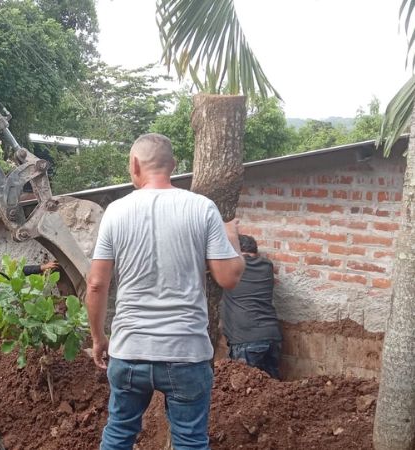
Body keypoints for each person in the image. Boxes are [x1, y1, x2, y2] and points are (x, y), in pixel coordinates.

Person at [85, 133, 245, 450]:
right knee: (189, 440)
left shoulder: (115, 212)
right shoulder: (202, 208)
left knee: (118, 434)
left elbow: (96, 284)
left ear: (134, 165)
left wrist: (98, 337)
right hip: (186, 352)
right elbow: (228, 277)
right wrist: (234, 240)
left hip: (129, 349)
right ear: (173, 166)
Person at [221, 234, 282, 379]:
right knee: (272, 391)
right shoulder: (267, 266)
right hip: (272, 337)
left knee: (244, 393)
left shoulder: (231, 268)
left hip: (245, 340)